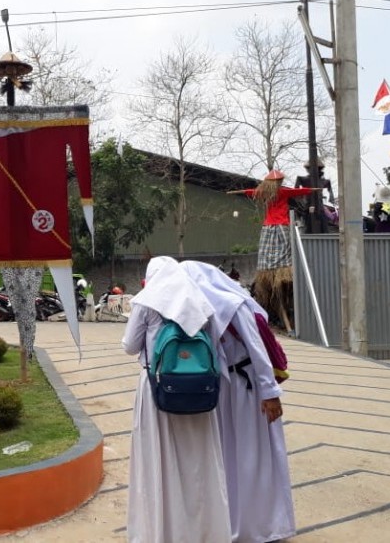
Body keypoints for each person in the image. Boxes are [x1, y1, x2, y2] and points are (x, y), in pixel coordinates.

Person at [181, 260, 296, 543]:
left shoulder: (234, 306)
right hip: (221, 392)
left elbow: (257, 350)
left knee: (253, 456)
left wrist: (270, 394)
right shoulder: (197, 308)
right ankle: (230, 522)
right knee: (227, 457)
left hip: (247, 391)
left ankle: (264, 525)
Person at [121, 256, 231, 542]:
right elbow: (214, 345)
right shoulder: (200, 301)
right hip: (199, 390)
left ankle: (161, 531)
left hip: (158, 389)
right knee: (198, 461)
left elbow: (130, 347)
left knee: (159, 459)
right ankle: (203, 531)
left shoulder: (147, 302)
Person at [227, 169, 319, 332]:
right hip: (280, 226)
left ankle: (279, 272)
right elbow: (299, 191)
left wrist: (237, 191)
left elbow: (250, 192)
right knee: (284, 249)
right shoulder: (281, 192)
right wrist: (313, 190)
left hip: (269, 227)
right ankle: (280, 271)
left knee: (272, 250)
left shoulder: (265, 192)